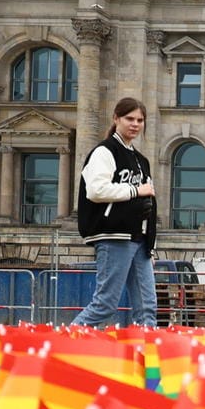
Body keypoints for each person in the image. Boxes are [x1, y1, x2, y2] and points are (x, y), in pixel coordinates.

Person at [70, 98, 157, 328]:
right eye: (129, 118)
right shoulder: (104, 152)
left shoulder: (141, 160)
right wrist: (136, 190)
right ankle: (64, 343)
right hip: (113, 235)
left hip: (139, 239)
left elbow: (147, 205)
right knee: (105, 304)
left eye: (140, 120)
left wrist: (151, 244)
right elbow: (96, 190)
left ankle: (146, 358)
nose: (135, 124)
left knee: (148, 307)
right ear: (116, 119)